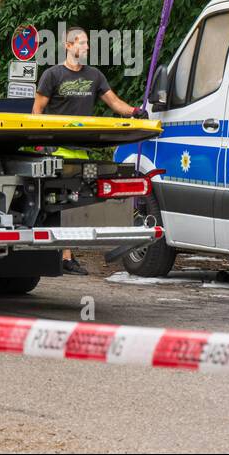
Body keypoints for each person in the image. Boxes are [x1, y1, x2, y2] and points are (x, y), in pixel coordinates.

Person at [31, 26, 145, 275]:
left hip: (82, 152)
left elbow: (114, 103)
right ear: (68, 46)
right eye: (82, 43)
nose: (87, 47)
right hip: (57, 150)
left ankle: (64, 255)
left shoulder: (94, 75)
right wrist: (39, 141)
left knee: (75, 203)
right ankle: (61, 255)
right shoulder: (52, 75)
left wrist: (135, 112)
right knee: (56, 203)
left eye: (87, 43)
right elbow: (37, 110)